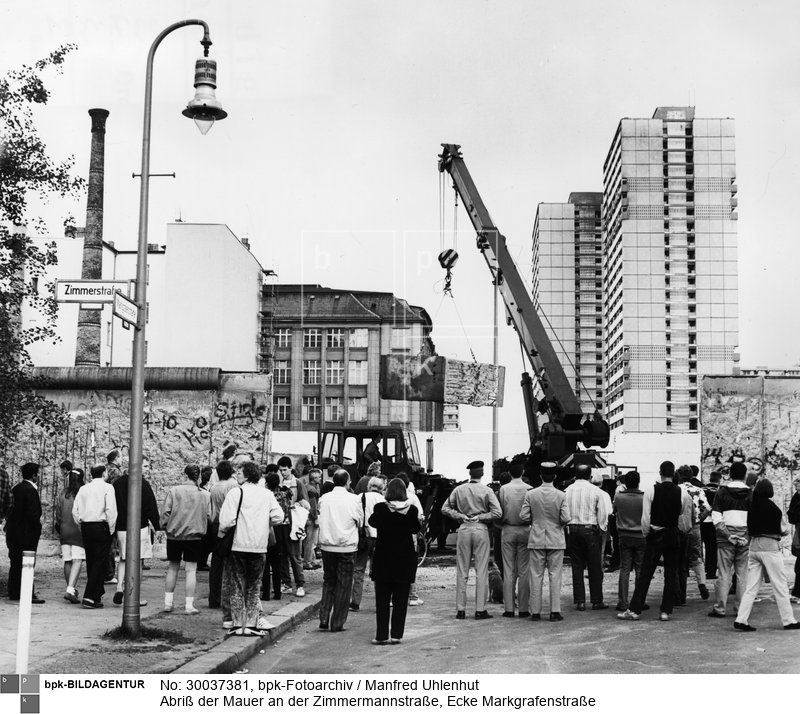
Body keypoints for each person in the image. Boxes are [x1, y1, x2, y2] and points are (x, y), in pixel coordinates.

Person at [618, 460, 692, 622]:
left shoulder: (651, 490)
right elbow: (680, 513)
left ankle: (635, 610)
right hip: (673, 534)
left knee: (646, 574)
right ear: (673, 474)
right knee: (670, 574)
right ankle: (666, 611)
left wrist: (647, 534)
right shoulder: (683, 493)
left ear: (660, 472)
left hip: (655, 534)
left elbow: (645, 517)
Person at [218, 461, 284, 634]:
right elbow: (278, 516)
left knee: (237, 584)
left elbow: (226, 521)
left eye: (239, 472)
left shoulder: (235, 493)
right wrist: (264, 523)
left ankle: (238, 623)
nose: (236, 475)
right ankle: (252, 623)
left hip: (238, 544)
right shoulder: (267, 494)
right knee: (254, 586)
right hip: (259, 546)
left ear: (247, 475)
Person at [734, 479, 800, 632]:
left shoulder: (752, 507)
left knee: (751, 587)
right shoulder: (774, 509)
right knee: (780, 585)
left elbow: (749, 529)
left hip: (754, 548)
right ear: (770, 491)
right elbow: (784, 530)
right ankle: (788, 620)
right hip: (770, 548)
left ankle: (741, 619)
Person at [441, 460, 502, 620]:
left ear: (470, 473)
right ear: (482, 473)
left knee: (462, 570)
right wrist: (481, 516)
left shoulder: (459, 490)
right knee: (481, 570)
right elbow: (497, 513)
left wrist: (460, 516)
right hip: (480, 528)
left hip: (464, 529)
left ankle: (460, 610)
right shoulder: (487, 491)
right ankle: (480, 610)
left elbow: (445, 508)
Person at [368, 477, 421, 644]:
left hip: (384, 558)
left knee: (382, 601)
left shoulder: (380, 508)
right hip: (405, 560)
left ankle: (381, 635)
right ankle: (397, 634)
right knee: (401, 600)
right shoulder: (411, 510)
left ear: (388, 491)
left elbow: (372, 522)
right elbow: (416, 528)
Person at [519, 461, 570, 621]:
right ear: (554, 476)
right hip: (556, 539)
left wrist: (535, 521)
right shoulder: (561, 495)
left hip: (536, 538)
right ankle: (555, 611)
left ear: (541, 476)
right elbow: (566, 518)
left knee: (536, 575)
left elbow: (523, 516)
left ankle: (535, 612)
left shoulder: (530, 494)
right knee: (555, 575)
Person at [160, 464, 211, 615]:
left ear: (185, 475)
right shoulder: (205, 495)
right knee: (191, 570)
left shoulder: (174, 491)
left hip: (174, 535)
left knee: (172, 567)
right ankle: (189, 605)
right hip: (194, 536)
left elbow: (165, 514)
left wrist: (164, 526)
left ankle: (168, 603)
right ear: (199, 477)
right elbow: (210, 516)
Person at [317, 469, 363, 632]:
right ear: (347, 482)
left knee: (329, 580)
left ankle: (324, 617)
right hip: (346, 545)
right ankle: (337, 622)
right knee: (344, 584)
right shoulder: (354, 499)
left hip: (327, 545)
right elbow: (360, 521)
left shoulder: (324, 498)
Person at [709, 461, 752, 618]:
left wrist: (727, 534)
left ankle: (720, 608)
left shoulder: (721, 493)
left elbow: (716, 518)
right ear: (745, 475)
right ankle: (740, 608)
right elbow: (754, 520)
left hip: (725, 540)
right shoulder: (751, 494)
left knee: (724, 573)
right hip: (745, 539)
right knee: (742, 575)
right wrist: (745, 535)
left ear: (730, 474)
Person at [564, 464, 610, 610]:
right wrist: (602, 529)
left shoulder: (567, 491)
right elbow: (602, 513)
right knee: (594, 566)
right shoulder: (596, 491)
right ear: (590, 476)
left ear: (575, 475)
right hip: (590, 531)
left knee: (577, 566)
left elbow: (564, 513)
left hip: (572, 530)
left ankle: (580, 601)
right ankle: (596, 600)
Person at [112, 467, 159, 607]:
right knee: (137, 561)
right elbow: (151, 507)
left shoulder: (117, 484)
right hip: (140, 526)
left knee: (123, 558)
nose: (146, 469)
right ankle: (133, 595)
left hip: (121, 527)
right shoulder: (142, 483)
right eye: (144, 466)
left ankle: (119, 586)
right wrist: (158, 526)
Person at [72, 464, 117, 609]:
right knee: (100, 561)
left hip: (86, 526)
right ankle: (90, 597)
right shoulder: (108, 488)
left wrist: (80, 523)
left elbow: (75, 510)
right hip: (101, 526)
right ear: (104, 473)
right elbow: (111, 510)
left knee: (91, 560)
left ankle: (96, 594)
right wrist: (111, 528)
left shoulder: (83, 488)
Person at [5, 463, 45, 603]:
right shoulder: (31, 491)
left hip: (13, 532)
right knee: (28, 563)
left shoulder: (16, 488)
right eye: (37, 474)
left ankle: (14, 591)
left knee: (15, 563)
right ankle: (27, 593)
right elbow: (33, 514)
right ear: (34, 475)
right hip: (28, 533)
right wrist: (38, 527)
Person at [497, 461, 532, 618]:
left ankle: (509, 609)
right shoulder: (529, 489)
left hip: (508, 529)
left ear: (509, 473)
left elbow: (498, 511)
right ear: (522, 472)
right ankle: (524, 609)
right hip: (525, 530)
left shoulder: (503, 489)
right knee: (524, 570)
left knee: (509, 570)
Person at [677, 464, 711, 603]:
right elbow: (708, 508)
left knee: (680, 559)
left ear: (678, 475)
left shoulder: (677, 490)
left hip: (679, 527)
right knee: (696, 557)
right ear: (691, 476)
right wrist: (699, 520)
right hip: (695, 526)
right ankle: (701, 583)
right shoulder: (698, 490)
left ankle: (680, 593)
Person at [350, 476, 385, 612]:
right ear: (381, 488)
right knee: (379, 572)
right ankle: (381, 603)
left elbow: (356, 516)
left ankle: (355, 602)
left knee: (358, 569)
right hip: (380, 538)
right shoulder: (384, 500)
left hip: (364, 538)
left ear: (369, 486)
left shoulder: (360, 497)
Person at [613, 471, 646, 612]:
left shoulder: (619, 497)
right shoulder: (644, 498)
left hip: (624, 535)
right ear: (638, 482)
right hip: (640, 536)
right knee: (640, 569)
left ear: (625, 482)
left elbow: (614, 511)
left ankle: (623, 602)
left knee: (625, 569)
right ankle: (638, 602)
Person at [208, 459, 238, 609]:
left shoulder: (214, 487)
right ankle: (228, 596)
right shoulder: (232, 485)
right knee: (230, 562)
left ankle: (214, 597)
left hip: (215, 524)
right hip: (228, 526)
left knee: (216, 563)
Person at [277, 456, 308, 597]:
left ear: (290, 468)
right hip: (281, 523)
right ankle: (286, 583)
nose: (283, 472)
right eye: (281, 470)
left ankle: (300, 584)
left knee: (295, 555)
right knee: (282, 554)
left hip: (293, 522)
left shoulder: (298, 483)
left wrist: (297, 505)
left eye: (285, 470)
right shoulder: (279, 483)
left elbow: (305, 502)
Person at [56, 468, 85, 603]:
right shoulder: (83, 492)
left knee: (67, 560)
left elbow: (58, 514)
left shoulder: (63, 493)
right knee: (77, 560)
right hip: (77, 530)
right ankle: (70, 589)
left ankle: (71, 588)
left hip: (64, 529)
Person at [701, 470, 722, 579]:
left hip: (702, 521)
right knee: (712, 548)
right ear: (719, 479)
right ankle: (711, 571)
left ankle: (702, 568)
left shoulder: (702, 489)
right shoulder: (719, 491)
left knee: (701, 546)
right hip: (713, 522)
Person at [301, 468, 322, 569]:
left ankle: (311, 560)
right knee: (311, 540)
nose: (320, 479)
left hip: (305, 516)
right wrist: (316, 518)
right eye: (318, 477)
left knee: (308, 540)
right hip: (311, 517)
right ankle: (307, 562)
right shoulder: (312, 490)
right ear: (314, 479)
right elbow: (313, 505)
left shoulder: (306, 487)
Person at [196, 465, 215, 571]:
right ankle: (201, 562)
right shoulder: (206, 493)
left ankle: (200, 561)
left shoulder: (200, 490)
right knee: (206, 544)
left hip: (197, 520)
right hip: (205, 521)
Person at [788, 476, 800, 602]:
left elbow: (792, 514)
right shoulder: (796, 496)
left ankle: (798, 591)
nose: (796, 488)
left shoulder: (797, 497)